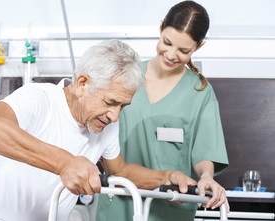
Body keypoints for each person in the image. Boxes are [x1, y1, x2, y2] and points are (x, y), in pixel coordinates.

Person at [0, 39, 197, 221]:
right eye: (111, 102)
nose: (115, 115)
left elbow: (121, 171)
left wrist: (166, 177)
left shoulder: (106, 124)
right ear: (83, 84)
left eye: (123, 106)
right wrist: (64, 163)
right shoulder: (40, 98)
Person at [96, 1, 229, 221]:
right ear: (160, 28)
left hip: (168, 208)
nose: (171, 54)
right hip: (117, 201)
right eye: (167, 42)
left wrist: (206, 176)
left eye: (184, 50)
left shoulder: (200, 92)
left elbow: (205, 150)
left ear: (199, 46)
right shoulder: (125, 76)